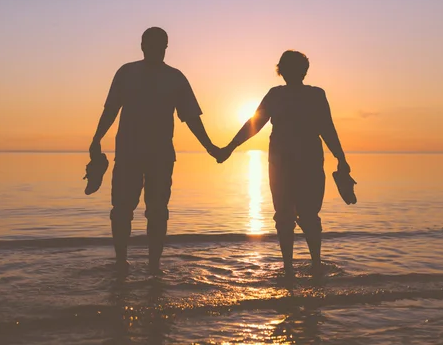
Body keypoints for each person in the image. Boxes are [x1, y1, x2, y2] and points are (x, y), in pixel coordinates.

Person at [88, 27, 219, 273]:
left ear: (165, 47)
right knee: (123, 210)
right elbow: (111, 109)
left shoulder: (175, 78)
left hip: (159, 156)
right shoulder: (127, 72)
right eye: (151, 44)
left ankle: (153, 265)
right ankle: (122, 262)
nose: (155, 49)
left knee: (155, 211)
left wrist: (210, 147)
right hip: (129, 154)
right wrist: (96, 138)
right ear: (142, 46)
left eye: (159, 45)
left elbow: (191, 117)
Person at [215, 50, 351, 277]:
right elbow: (256, 124)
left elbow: (326, 128)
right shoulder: (298, 95)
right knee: (297, 216)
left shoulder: (304, 95)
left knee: (292, 216)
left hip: (295, 163)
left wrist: (341, 157)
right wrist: (230, 147)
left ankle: (299, 267)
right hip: (288, 164)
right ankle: (304, 266)